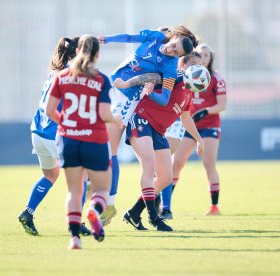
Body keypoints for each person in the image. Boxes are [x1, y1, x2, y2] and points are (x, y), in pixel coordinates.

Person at [97, 26, 199, 226]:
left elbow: (162, 96)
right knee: (110, 148)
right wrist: (107, 39)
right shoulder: (156, 37)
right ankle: (145, 213)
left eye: (176, 52)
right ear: (174, 37)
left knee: (113, 152)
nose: (172, 51)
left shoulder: (170, 67)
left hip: (129, 101)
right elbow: (129, 36)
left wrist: (144, 90)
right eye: (174, 46)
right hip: (114, 85)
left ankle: (113, 204)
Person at [45, 35, 122, 249]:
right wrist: (116, 119)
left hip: (68, 140)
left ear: (77, 50)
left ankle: (75, 239)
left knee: (74, 191)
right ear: (97, 54)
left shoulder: (61, 76)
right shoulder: (100, 79)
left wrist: (68, 125)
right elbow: (105, 114)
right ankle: (93, 211)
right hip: (94, 140)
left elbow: (50, 110)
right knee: (101, 191)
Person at [116, 51, 204, 231]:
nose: (198, 68)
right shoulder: (176, 76)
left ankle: (133, 213)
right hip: (141, 120)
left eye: (200, 65)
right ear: (182, 65)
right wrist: (126, 84)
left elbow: (186, 118)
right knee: (150, 166)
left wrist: (199, 140)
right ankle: (154, 218)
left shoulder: (189, 90)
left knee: (165, 178)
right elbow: (150, 77)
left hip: (158, 131)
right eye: (194, 63)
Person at [18, 37, 91, 237]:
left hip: (38, 132)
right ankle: (76, 222)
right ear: (77, 53)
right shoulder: (71, 74)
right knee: (83, 176)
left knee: (50, 175)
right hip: (54, 134)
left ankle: (28, 212)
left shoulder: (53, 72)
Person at [165, 43, 227, 218]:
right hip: (189, 124)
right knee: (176, 163)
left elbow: (222, 105)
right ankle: (165, 203)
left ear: (210, 58)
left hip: (209, 126)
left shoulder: (216, 78)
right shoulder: (184, 76)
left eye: (206, 55)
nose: (203, 58)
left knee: (208, 164)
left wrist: (206, 111)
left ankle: (214, 206)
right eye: (200, 55)